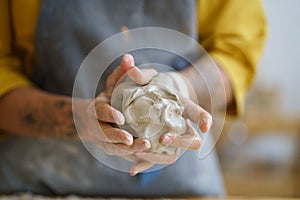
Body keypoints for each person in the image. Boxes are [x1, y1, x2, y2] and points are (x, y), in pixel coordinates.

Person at [0, 0, 267, 197]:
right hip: (38, 177)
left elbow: (236, 50)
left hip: (178, 179)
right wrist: (81, 118)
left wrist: (181, 87)